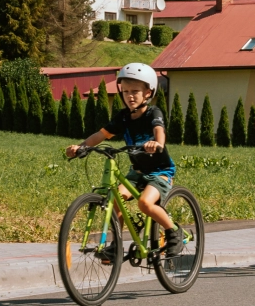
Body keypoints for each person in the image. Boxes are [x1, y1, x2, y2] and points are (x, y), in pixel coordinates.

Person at [67, 62, 184, 254]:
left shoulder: (153, 112)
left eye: (135, 91)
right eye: (126, 91)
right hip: (136, 172)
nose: (130, 96)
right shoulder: (123, 117)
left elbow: (158, 129)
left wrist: (158, 143)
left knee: (145, 203)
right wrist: (81, 147)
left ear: (148, 93)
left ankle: (174, 232)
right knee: (114, 199)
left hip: (159, 172)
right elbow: (100, 135)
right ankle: (116, 244)